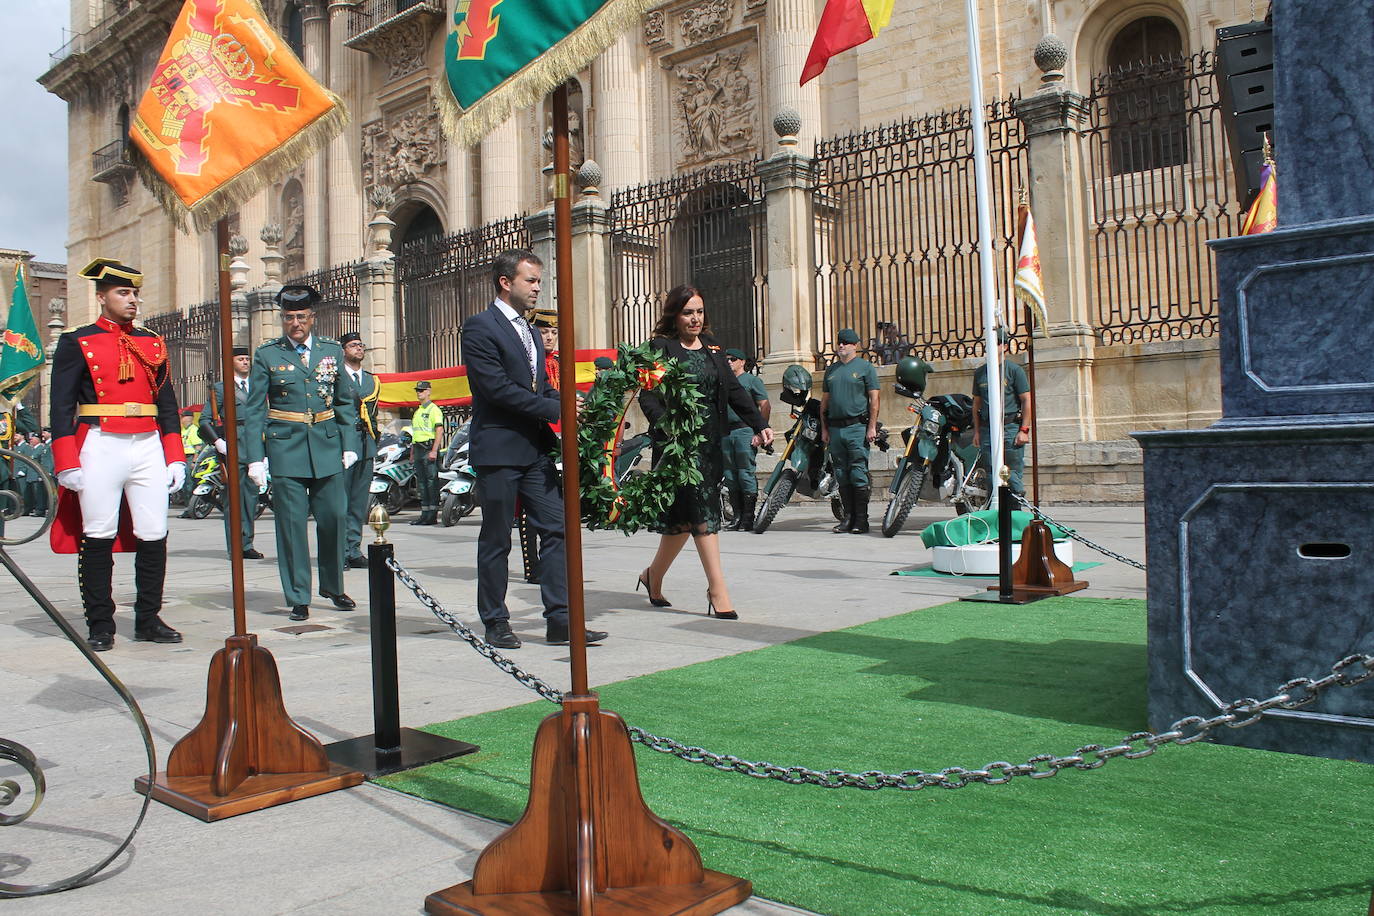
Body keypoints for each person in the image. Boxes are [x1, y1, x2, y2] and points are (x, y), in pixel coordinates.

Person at [462, 248, 606, 649]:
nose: (538, 288)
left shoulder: (530, 331)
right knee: (497, 539)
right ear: (506, 282)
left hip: (535, 450)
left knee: (557, 528)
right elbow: (497, 389)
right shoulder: (479, 327)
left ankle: (560, 619)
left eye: (539, 281)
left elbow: (538, 386)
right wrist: (552, 405)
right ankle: (495, 620)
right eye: (531, 280)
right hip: (498, 450)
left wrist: (567, 399)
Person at [49, 258, 186, 652]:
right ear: (101, 296)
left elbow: (167, 402)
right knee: (98, 534)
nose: (132, 301)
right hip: (100, 441)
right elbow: (60, 406)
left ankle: (148, 618)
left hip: (146, 444)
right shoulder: (78, 341)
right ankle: (100, 623)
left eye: (135, 294)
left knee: (154, 532)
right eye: (123, 293)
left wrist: (174, 454)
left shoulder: (150, 341)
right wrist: (66, 461)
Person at [637, 286, 773, 620]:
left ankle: (652, 576)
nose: (695, 318)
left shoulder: (714, 348)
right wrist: (666, 423)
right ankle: (718, 589)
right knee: (702, 512)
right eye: (687, 312)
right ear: (674, 315)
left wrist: (758, 424)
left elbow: (734, 391)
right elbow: (648, 396)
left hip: (710, 444)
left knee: (684, 522)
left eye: (699, 311)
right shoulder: (659, 348)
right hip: (679, 447)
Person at [243, 284, 360, 621]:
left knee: (335, 519)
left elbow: (344, 403)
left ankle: (333, 586)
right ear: (283, 319)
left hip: (326, 445)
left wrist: (350, 444)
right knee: (292, 525)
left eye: (301, 317)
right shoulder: (268, 354)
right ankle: (297, 595)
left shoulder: (331, 351)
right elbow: (254, 410)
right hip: (286, 448)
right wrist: (255, 457)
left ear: (312, 318)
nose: (296, 323)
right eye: (289, 317)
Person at [199, 346, 263, 559]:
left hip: (254, 443)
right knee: (233, 500)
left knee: (252, 498)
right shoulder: (221, 388)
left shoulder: (257, 386)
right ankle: (235, 546)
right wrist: (218, 442)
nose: (245, 362)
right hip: (233, 444)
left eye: (247, 359)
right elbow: (204, 421)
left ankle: (247, 543)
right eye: (240, 359)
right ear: (231, 363)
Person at [821, 328, 880, 534]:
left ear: (855, 345)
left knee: (857, 472)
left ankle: (861, 520)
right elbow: (825, 403)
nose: (841, 346)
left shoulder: (865, 367)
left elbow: (874, 399)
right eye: (839, 342)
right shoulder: (832, 370)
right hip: (836, 428)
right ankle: (847, 518)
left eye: (846, 342)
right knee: (841, 474)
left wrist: (871, 426)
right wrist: (824, 429)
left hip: (856, 427)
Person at [971, 326, 1031, 496]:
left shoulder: (1013, 370)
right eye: (988, 343)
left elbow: (1026, 400)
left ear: (1004, 346)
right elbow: (976, 404)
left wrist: (1024, 430)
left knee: (1012, 474)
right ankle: (996, 513)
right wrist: (976, 432)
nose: (990, 347)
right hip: (987, 429)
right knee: (991, 473)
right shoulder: (980, 373)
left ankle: (1015, 511)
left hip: (1010, 427)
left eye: (995, 343)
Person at [339, 331, 380, 565]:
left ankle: (353, 549)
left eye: (361, 345)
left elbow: (372, 416)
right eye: (353, 345)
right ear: (343, 350)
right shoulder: (336, 377)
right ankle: (340, 551)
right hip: (344, 445)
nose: (359, 349)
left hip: (366, 444)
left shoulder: (371, 380)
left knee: (358, 502)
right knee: (341, 501)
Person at [721, 348, 769, 531]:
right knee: (730, 475)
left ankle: (748, 516)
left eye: (732, 359)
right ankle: (737, 516)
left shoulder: (751, 381)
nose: (728, 362)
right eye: (726, 359)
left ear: (742, 361)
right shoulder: (724, 382)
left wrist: (759, 431)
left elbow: (764, 405)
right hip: (726, 432)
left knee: (745, 472)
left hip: (744, 430)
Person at [408, 380, 444, 526]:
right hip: (418, 448)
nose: (419, 393)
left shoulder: (433, 409)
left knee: (431, 482)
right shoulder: (418, 411)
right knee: (421, 484)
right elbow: (414, 434)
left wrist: (434, 450)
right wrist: (412, 452)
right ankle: (424, 514)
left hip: (428, 448)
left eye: (422, 390)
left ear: (429, 391)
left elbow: (439, 430)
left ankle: (432, 515)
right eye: (417, 390)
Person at [176, 408, 203, 516]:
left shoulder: (193, 430)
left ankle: (190, 508)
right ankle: (188, 507)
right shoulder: (183, 430)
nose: (183, 419)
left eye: (185, 417)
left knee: (189, 483)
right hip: (183, 457)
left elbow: (198, 445)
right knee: (184, 483)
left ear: (190, 418)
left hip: (190, 457)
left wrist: (195, 460)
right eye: (182, 417)